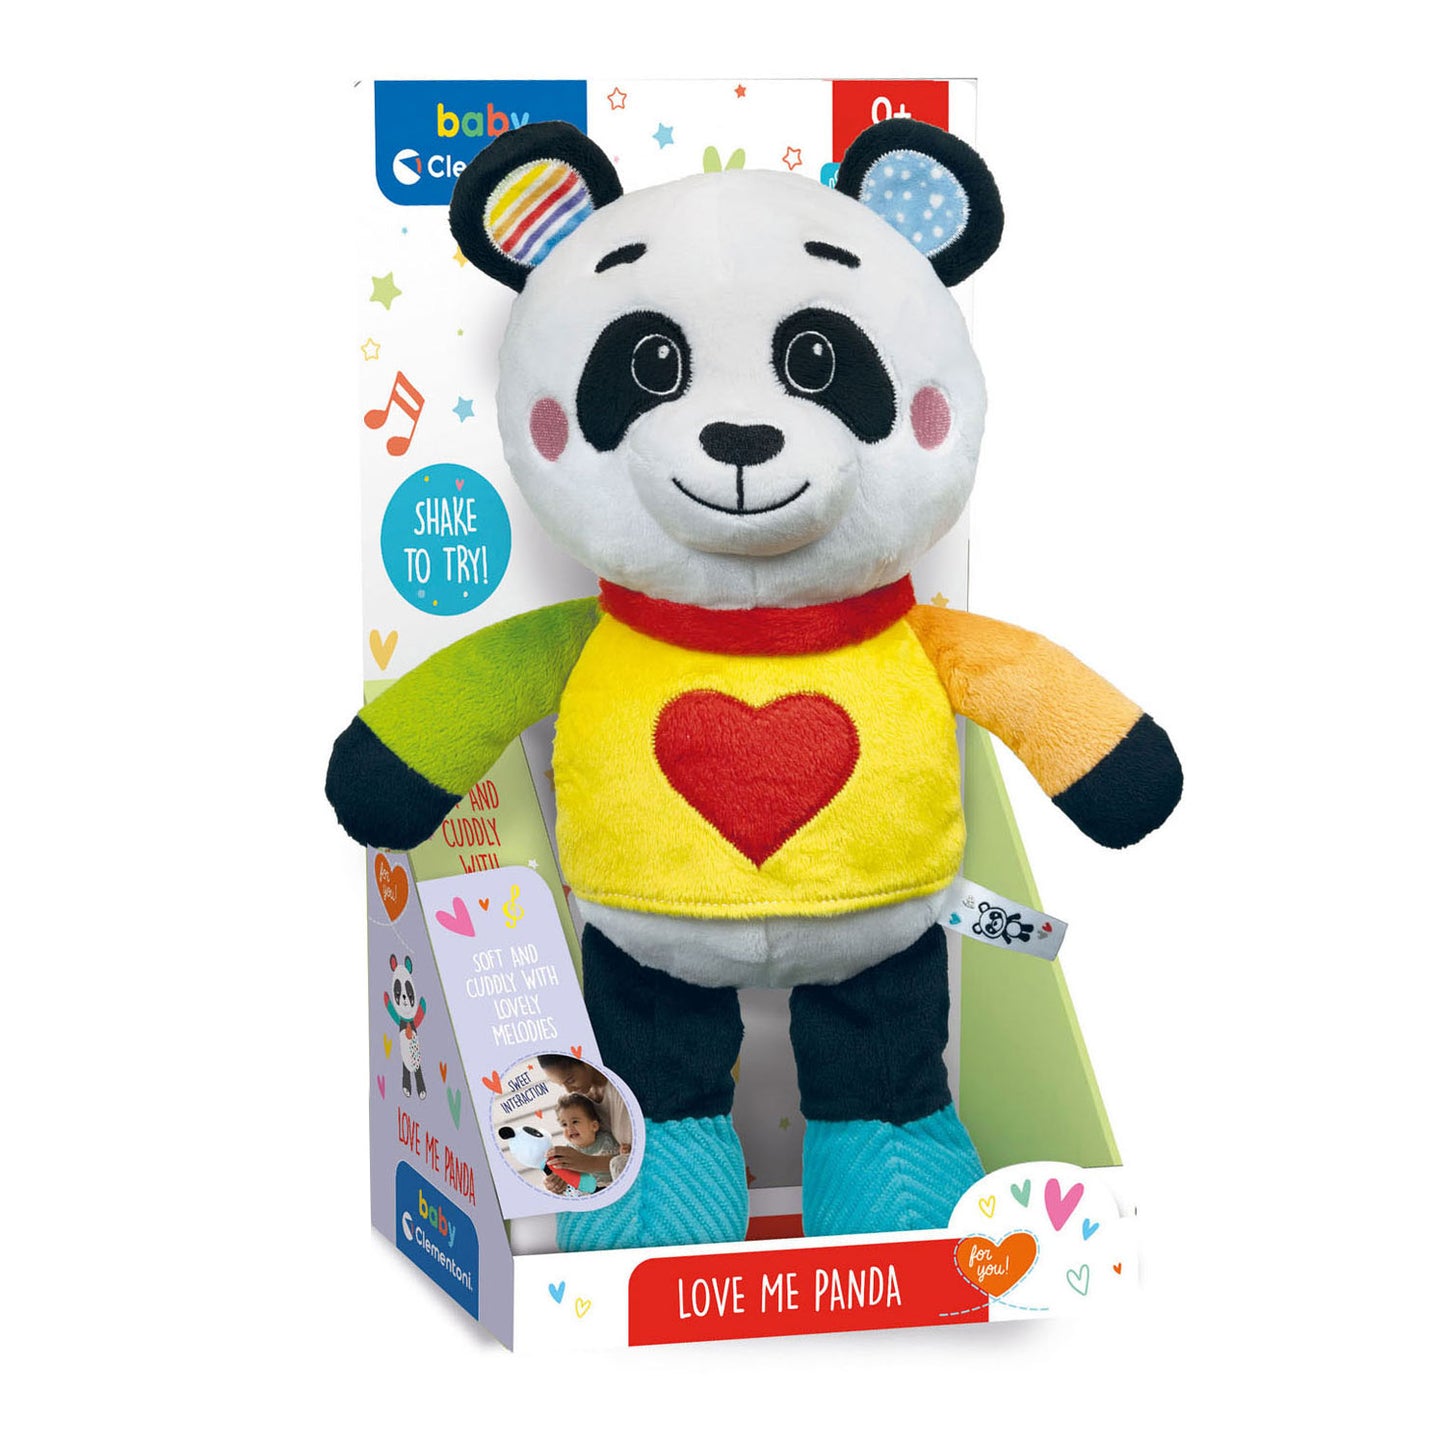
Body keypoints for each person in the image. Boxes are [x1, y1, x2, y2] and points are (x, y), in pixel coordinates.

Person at [538, 1054, 633, 1182]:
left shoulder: (624, 1088)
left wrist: (588, 1163)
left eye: (570, 1080)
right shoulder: (580, 1104)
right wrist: (563, 1177)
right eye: (561, 1085)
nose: (569, 1091)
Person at [542, 1094, 619, 1195]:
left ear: (594, 1126)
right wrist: (552, 1182)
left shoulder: (607, 1140)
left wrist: (624, 1150)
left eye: (575, 1122)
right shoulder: (566, 1153)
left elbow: (620, 1161)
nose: (569, 1128)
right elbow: (562, 1177)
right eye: (564, 1124)